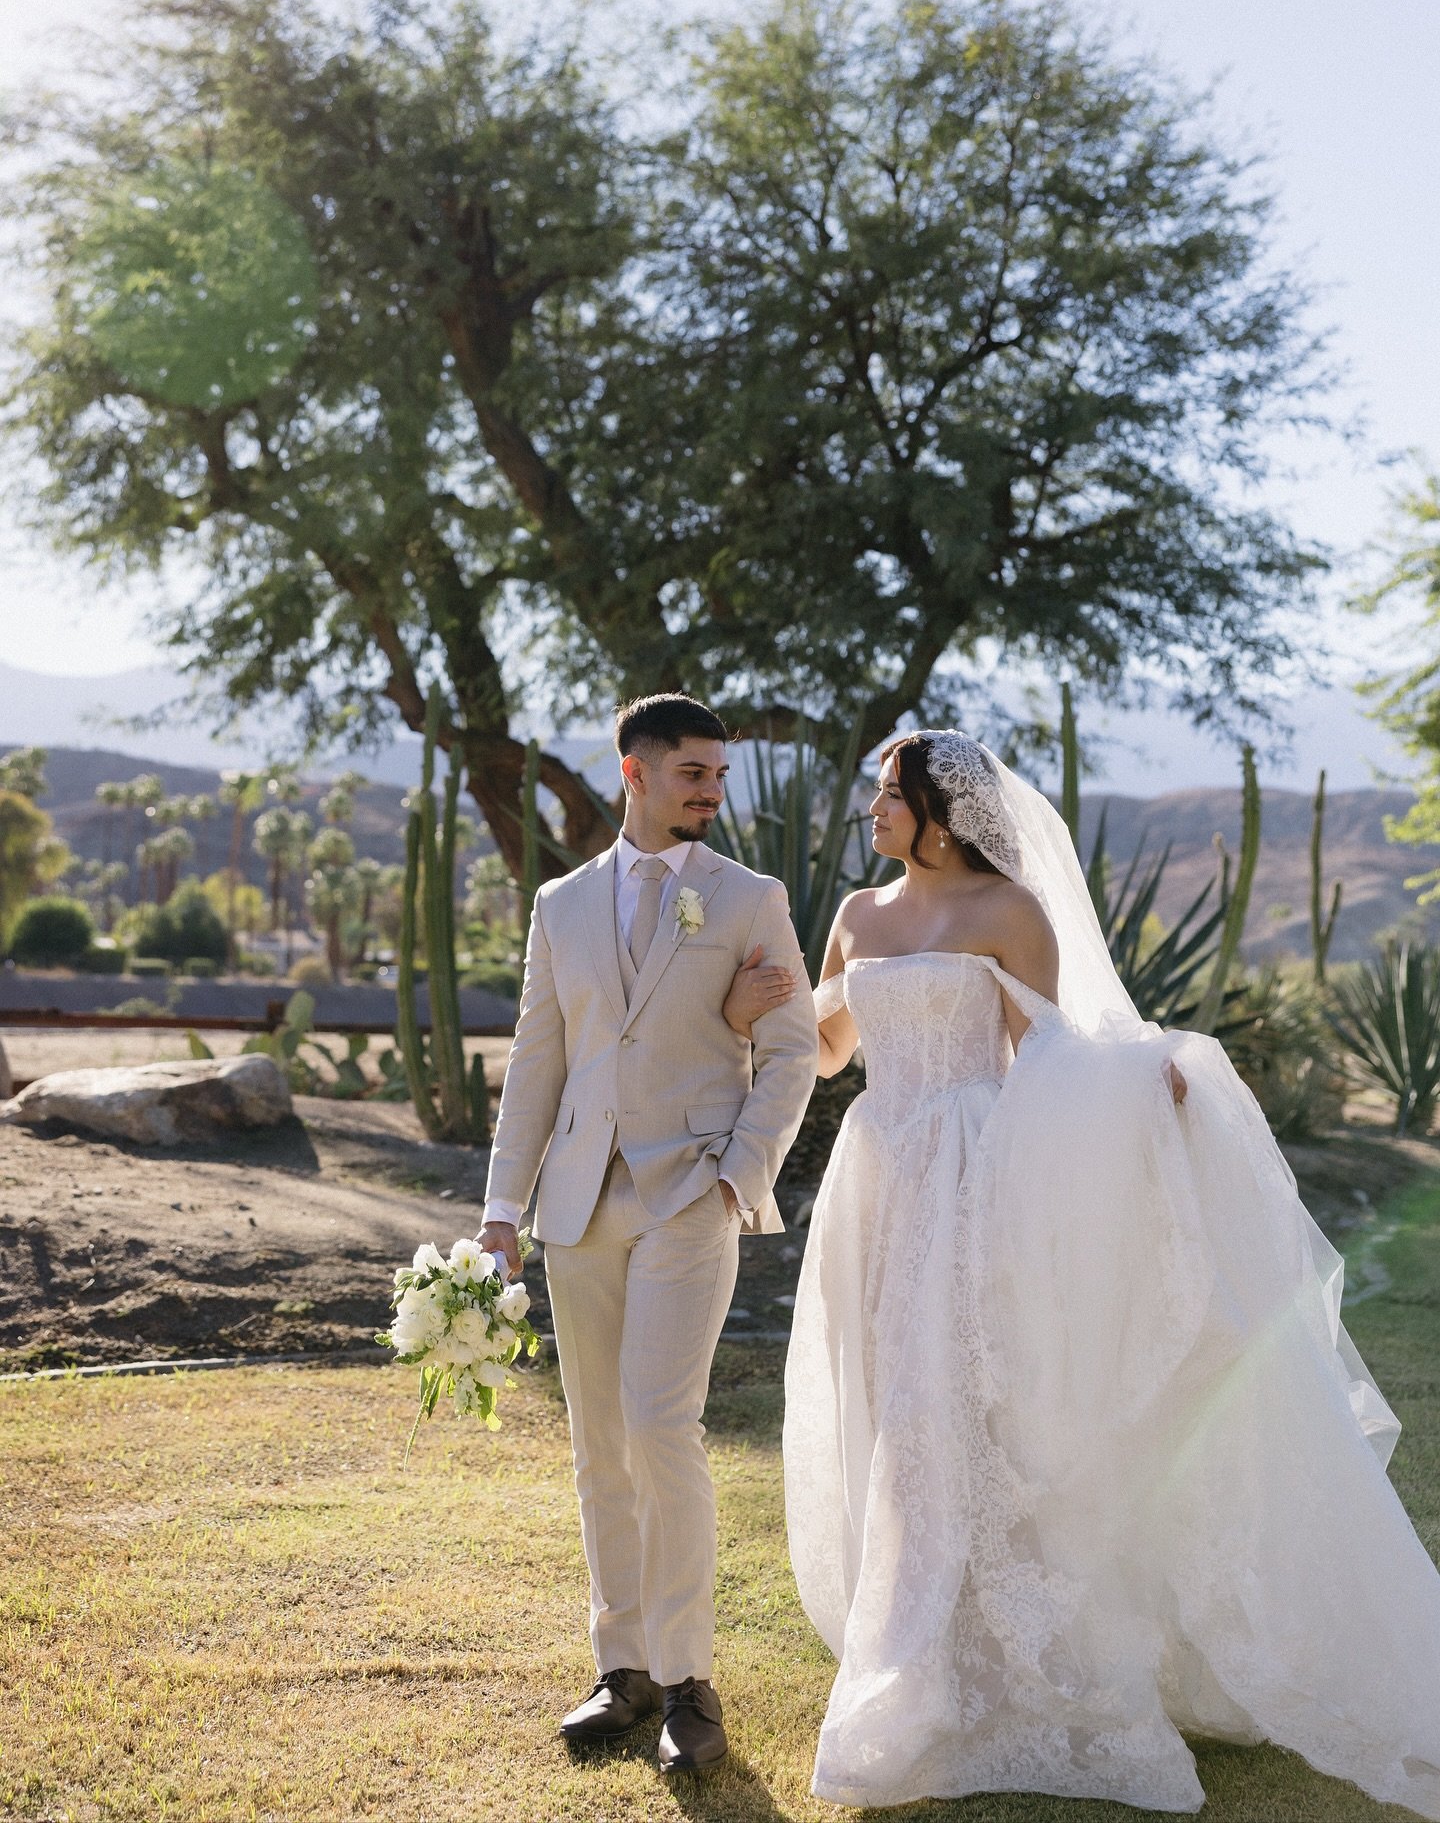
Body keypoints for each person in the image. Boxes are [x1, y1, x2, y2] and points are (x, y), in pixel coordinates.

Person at [728, 728, 1440, 1816]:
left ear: (941, 811)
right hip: (876, 1178)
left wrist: (1148, 1086)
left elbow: (1052, 1050)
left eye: (888, 793)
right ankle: (918, 1636)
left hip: (974, 1172)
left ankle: (953, 1658)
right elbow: (828, 1052)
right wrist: (769, 1010)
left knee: (960, 1400)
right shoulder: (857, 917)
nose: (870, 809)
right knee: (891, 1399)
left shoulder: (1012, 915)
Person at [478, 692, 817, 1778]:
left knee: (660, 1428)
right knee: (597, 1445)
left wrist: (737, 1177)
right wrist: (501, 1211)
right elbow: (539, 1061)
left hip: (689, 1196)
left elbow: (797, 1047)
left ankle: (688, 1681)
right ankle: (619, 1670)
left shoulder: (748, 897)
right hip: (577, 1205)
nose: (712, 793)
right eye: (693, 775)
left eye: (720, 777)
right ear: (634, 771)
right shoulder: (561, 904)